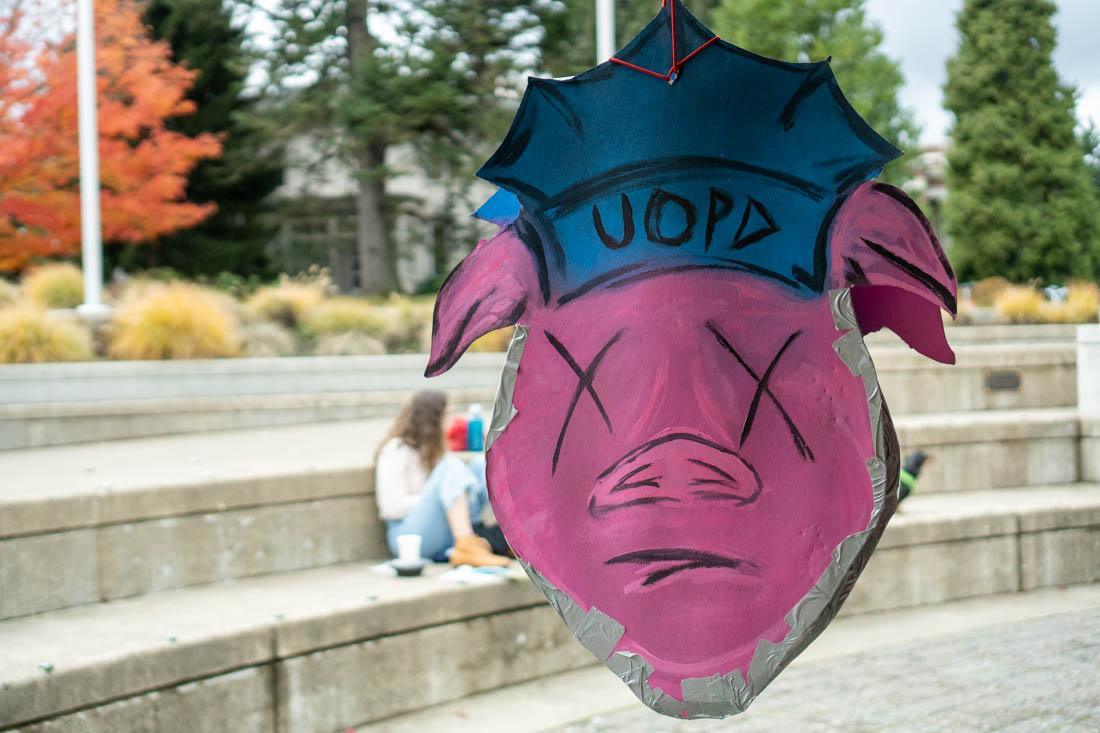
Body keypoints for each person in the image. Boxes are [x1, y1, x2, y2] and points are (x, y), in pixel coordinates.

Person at [374, 390, 510, 567]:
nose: (453, 419)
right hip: (409, 537)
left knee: (479, 463)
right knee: (451, 466)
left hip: (443, 533)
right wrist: (438, 498)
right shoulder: (396, 449)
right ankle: (466, 546)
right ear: (432, 419)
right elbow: (391, 507)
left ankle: (516, 531)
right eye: (448, 414)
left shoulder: (434, 451)